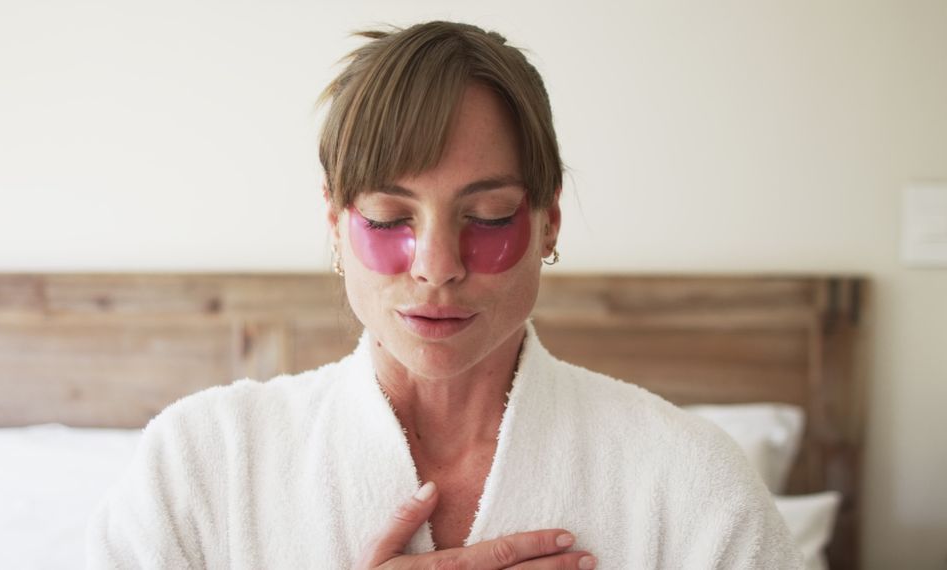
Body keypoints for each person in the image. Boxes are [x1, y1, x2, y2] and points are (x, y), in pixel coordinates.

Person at [87, 21, 802, 569]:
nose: (436, 266)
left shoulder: (691, 483)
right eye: (390, 219)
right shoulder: (200, 462)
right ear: (335, 222)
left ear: (549, 219)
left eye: (488, 217)